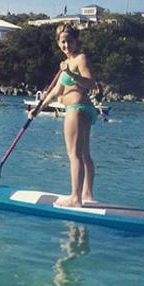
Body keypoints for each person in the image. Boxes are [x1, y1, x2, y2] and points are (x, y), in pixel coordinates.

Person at [29, 23, 97, 207]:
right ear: (59, 43)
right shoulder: (65, 64)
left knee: (73, 154)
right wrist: (38, 108)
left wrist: (72, 75)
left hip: (77, 108)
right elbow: (55, 92)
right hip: (81, 109)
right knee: (83, 154)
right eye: (63, 42)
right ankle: (87, 194)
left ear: (76, 41)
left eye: (70, 41)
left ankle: (76, 198)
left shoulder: (80, 59)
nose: (66, 45)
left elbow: (91, 83)